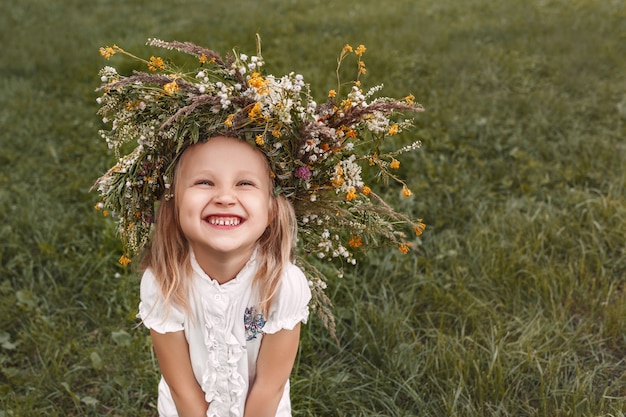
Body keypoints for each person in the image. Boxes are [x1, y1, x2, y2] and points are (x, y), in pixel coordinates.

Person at [93, 38, 425, 416]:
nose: (224, 197)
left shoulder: (283, 284)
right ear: (173, 205)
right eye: (204, 182)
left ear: (272, 209)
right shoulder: (164, 283)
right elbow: (181, 386)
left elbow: (269, 387)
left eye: (244, 184)